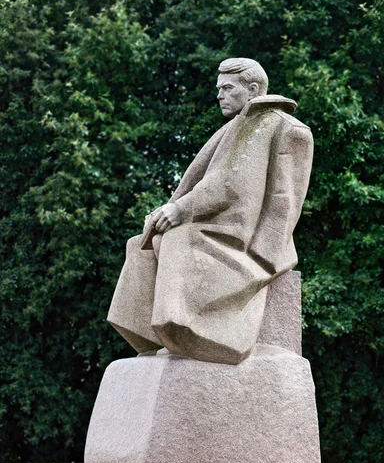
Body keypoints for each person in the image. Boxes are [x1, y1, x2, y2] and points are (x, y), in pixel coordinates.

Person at [107, 58, 314, 364]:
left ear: (252, 89)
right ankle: (152, 336)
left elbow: (233, 184)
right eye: (219, 89)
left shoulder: (277, 126)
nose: (219, 95)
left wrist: (179, 210)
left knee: (179, 240)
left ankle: (195, 332)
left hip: (239, 235)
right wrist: (166, 210)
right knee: (143, 243)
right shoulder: (238, 125)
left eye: (228, 88)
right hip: (216, 225)